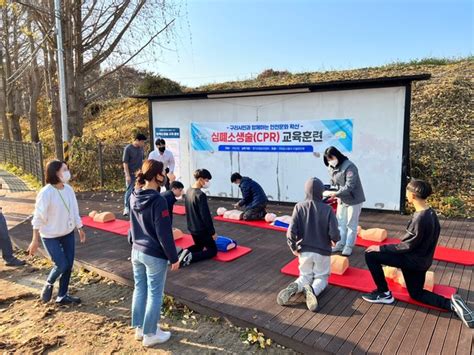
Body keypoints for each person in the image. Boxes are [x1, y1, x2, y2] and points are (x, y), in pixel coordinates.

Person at [362, 179, 473, 329]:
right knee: (417, 294)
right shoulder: (431, 213)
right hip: (422, 262)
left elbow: (406, 246)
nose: (406, 194)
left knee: (370, 254)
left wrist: (380, 248)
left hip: (411, 260)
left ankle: (384, 293)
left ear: (413, 195)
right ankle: (451, 304)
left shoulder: (420, 218)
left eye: (407, 192)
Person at [128, 159, 180, 346]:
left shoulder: (133, 195)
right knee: (155, 293)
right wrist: (174, 257)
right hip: (154, 254)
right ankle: (151, 334)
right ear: (158, 176)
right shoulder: (159, 200)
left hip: (136, 251)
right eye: (163, 173)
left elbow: (131, 227)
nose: (165, 176)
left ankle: (140, 329)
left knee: (140, 289)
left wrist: (133, 243)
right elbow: (164, 233)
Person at [277, 177, 340, 311]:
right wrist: (335, 239)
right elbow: (334, 231)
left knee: (304, 276)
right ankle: (312, 290)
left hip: (304, 250)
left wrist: (293, 246)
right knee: (321, 277)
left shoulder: (299, 207)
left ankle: (295, 287)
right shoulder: (327, 209)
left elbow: (291, 231)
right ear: (321, 192)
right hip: (322, 251)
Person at [28, 160, 86, 305]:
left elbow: (74, 210)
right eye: (64, 170)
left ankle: (62, 295)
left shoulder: (68, 189)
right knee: (61, 264)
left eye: (67, 169)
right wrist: (35, 240)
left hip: (67, 233)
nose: (67, 172)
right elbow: (38, 217)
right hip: (50, 236)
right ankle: (49, 282)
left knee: (69, 264)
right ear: (55, 173)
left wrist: (80, 227)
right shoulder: (46, 193)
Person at [323, 146, 365, 256]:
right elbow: (334, 183)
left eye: (331, 158)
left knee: (351, 224)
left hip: (354, 199)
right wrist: (329, 191)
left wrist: (336, 193)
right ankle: (340, 244)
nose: (330, 161)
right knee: (341, 223)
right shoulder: (331, 167)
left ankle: (349, 246)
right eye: (328, 160)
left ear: (337, 156)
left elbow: (350, 186)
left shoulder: (349, 166)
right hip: (341, 199)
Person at [179, 169, 217, 266]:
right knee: (212, 251)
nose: (207, 182)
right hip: (201, 229)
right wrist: (212, 232)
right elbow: (206, 216)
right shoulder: (200, 195)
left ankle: (180, 254)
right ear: (200, 179)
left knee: (199, 246)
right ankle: (190, 258)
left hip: (192, 228)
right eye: (207, 180)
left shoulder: (188, 190)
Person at [123, 133, 147, 216]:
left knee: (139, 191)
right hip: (131, 174)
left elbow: (142, 160)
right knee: (129, 191)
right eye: (142, 142)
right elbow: (125, 163)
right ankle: (126, 208)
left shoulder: (141, 149)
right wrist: (127, 175)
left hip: (139, 173)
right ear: (137, 140)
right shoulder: (128, 149)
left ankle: (137, 207)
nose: (143, 144)